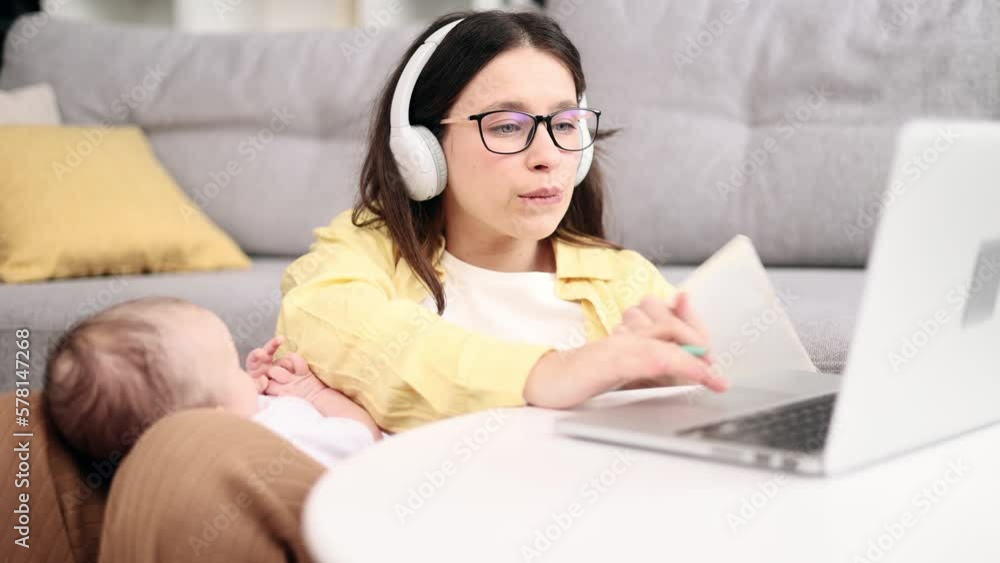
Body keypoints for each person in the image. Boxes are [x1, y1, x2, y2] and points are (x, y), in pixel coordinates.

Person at [275, 10, 730, 434]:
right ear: (421, 148)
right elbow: (329, 327)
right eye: (508, 126)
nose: (548, 157)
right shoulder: (367, 252)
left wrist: (672, 392)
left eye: (565, 123)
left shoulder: (625, 284)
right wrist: (548, 374)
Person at [43, 296, 381, 472]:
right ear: (215, 420)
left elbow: (232, 406)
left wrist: (247, 385)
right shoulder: (278, 445)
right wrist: (315, 392)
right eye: (231, 367)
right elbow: (367, 441)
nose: (244, 374)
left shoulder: (175, 463)